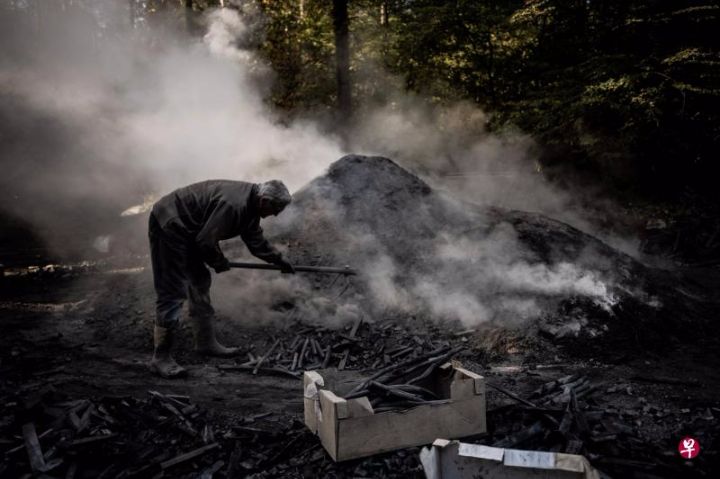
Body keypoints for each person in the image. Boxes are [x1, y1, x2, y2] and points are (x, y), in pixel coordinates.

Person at [147, 179, 294, 378]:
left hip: (189, 228)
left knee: (199, 279)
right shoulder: (234, 205)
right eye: (276, 208)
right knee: (172, 290)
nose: (275, 214)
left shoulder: (250, 207)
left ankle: (205, 342)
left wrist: (279, 261)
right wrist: (218, 261)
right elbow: (206, 241)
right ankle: (160, 357)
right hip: (170, 224)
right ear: (264, 200)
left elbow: (255, 241)